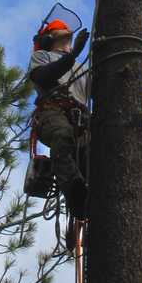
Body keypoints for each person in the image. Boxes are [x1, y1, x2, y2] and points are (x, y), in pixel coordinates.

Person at [27, 19, 90, 219]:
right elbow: (44, 77)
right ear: (48, 38)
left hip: (81, 119)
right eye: (59, 29)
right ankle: (74, 193)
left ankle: (92, 201)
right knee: (62, 136)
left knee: (96, 155)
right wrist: (72, 56)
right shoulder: (42, 56)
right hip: (53, 112)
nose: (65, 29)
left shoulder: (83, 67)